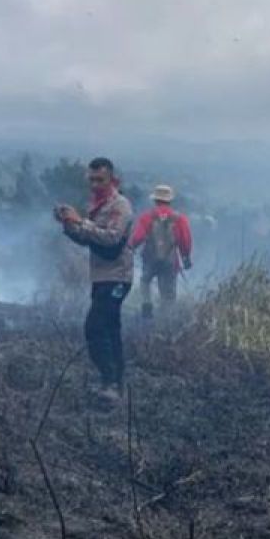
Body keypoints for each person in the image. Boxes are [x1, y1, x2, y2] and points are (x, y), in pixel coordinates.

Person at [54, 157, 134, 402]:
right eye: (92, 180)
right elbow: (88, 240)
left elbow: (111, 238)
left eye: (100, 179)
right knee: (110, 329)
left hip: (117, 277)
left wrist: (80, 222)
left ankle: (110, 382)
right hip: (102, 276)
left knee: (95, 327)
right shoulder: (98, 206)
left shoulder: (120, 206)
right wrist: (69, 225)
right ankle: (116, 384)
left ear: (112, 179)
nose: (95, 184)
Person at [129, 184, 193, 320]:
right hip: (170, 261)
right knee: (168, 295)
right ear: (170, 200)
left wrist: (131, 248)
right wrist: (186, 257)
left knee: (145, 281)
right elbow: (185, 240)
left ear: (155, 200)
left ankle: (147, 303)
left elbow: (138, 237)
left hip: (150, 259)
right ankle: (166, 323)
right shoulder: (179, 219)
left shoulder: (147, 217)